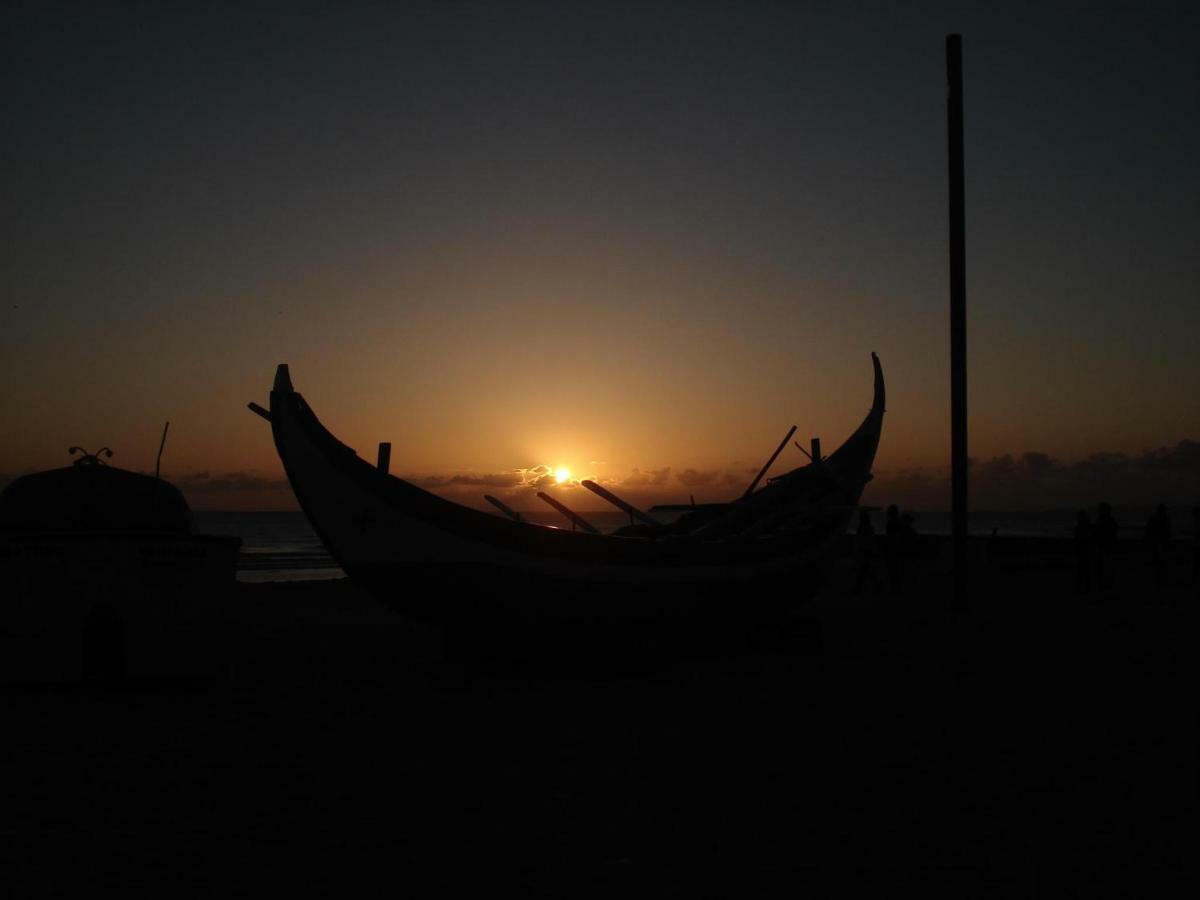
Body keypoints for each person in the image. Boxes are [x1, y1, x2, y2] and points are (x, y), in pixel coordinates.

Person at [850, 509, 882, 595]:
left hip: (864, 552)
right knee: (865, 571)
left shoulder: (864, 528)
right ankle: (876, 586)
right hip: (865, 552)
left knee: (863, 571)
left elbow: (863, 540)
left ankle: (859, 588)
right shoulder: (867, 528)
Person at [1093, 502, 1118, 601]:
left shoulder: (1103, 521)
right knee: (1105, 572)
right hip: (1105, 549)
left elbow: (1097, 535)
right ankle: (1105, 592)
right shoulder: (1109, 521)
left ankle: (1104, 592)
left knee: (1104, 572)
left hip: (1104, 549)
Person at [1145, 504, 1171, 589]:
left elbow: (1148, 531)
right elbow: (1168, 533)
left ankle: (1157, 580)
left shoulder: (1154, 519)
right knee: (1161, 563)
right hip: (1161, 544)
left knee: (1157, 563)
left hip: (1156, 544)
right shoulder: (1165, 520)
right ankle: (1160, 581)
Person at [885, 504, 904, 596]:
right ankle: (896, 589)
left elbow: (891, 538)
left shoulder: (891, 524)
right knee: (896, 571)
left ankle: (894, 589)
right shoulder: (898, 523)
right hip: (896, 549)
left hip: (892, 549)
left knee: (893, 571)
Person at [1073, 510, 1093, 596]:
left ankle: (1082, 589)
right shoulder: (1088, 527)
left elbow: (1077, 540)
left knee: (1083, 571)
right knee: (1085, 571)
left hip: (1084, 552)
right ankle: (1084, 589)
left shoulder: (1079, 528)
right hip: (1085, 552)